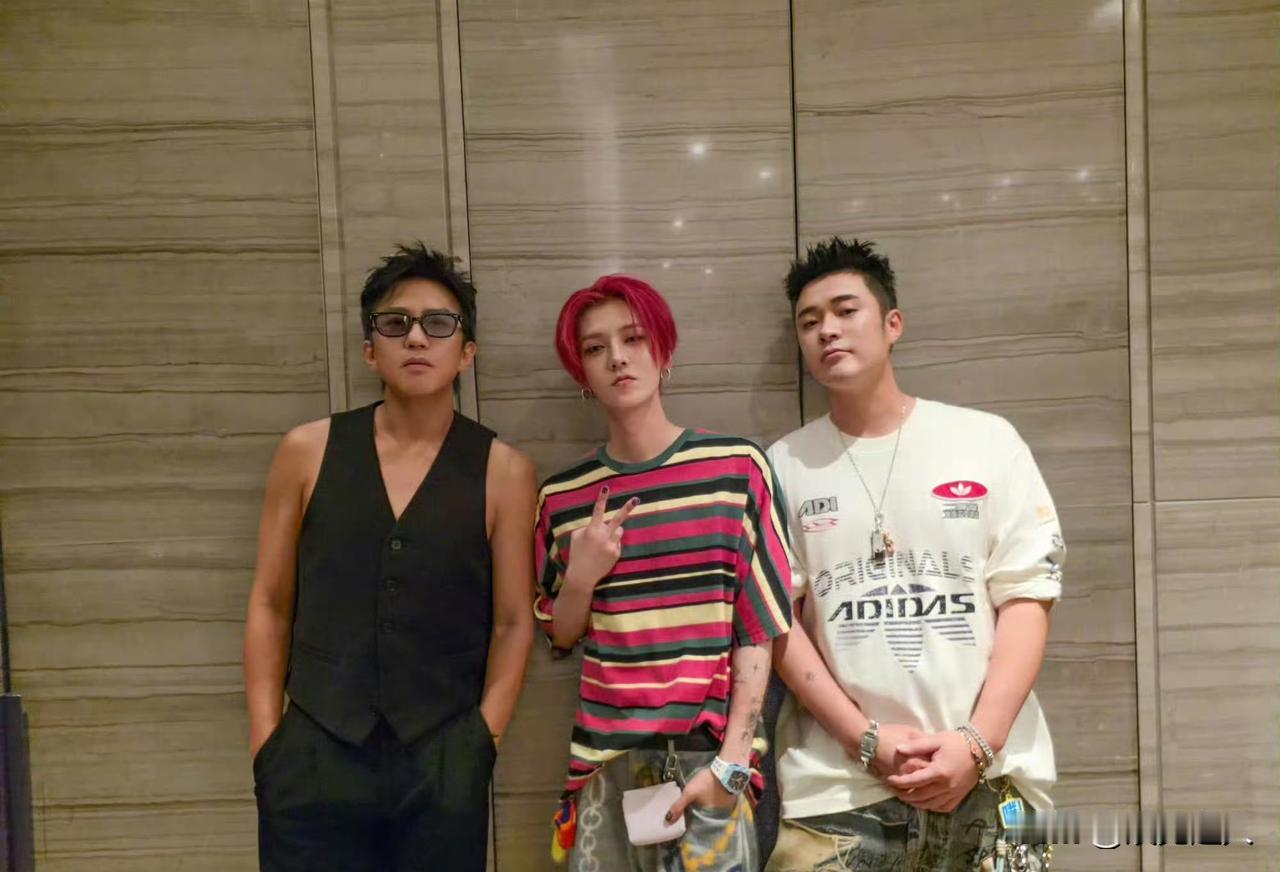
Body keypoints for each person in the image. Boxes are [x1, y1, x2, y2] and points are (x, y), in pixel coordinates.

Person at [765, 238, 1062, 871]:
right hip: (836, 796)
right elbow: (776, 621)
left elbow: (1028, 595)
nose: (827, 330)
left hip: (994, 782)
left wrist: (977, 743)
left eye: (846, 310)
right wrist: (864, 740)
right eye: (809, 321)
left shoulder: (985, 441)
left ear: (892, 323)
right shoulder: (782, 465)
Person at [243, 243, 536, 870]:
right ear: (370, 350)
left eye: (439, 324)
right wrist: (267, 741)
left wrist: (481, 741)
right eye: (396, 323)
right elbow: (270, 603)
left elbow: (515, 621)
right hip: (313, 753)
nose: (417, 338)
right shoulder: (307, 451)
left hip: (443, 759)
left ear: (467, 352)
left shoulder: (504, 471)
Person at [533, 274, 794, 871]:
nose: (617, 357)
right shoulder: (563, 498)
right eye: (595, 348)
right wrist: (583, 575)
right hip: (604, 769)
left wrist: (732, 763)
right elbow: (561, 633)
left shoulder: (736, 470)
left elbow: (758, 628)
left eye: (634, 338)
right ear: (581, 371)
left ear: (663, 350)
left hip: (709, 763)